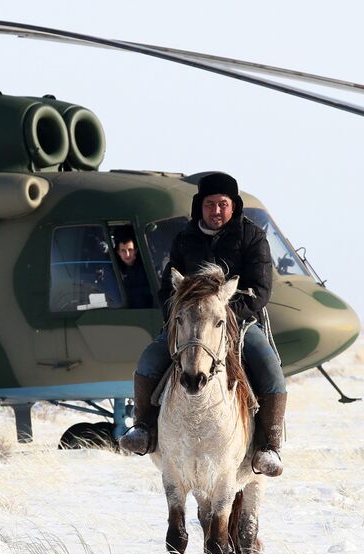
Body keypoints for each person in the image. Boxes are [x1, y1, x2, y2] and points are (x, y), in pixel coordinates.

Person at [118, 172, 288, 476]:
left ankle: (269, 447)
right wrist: (181, 315)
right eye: (211, 204)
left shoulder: (253, 237)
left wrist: (222, 311)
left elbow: (260, 291)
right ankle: (143, 429)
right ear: (201, 206)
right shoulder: (185, 239)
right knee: (148, 360)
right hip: (188, 325)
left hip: (238, 323)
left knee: (272, 372)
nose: (217, 211)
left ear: (233, 206)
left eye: (223, 204)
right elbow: (166, 288)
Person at [114, 230, 154, 309]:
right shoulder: (116, 269)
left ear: (135, 251)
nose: (127, 254)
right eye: (123, 251)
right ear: (118, 253)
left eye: (130, 250)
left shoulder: (146, 268)